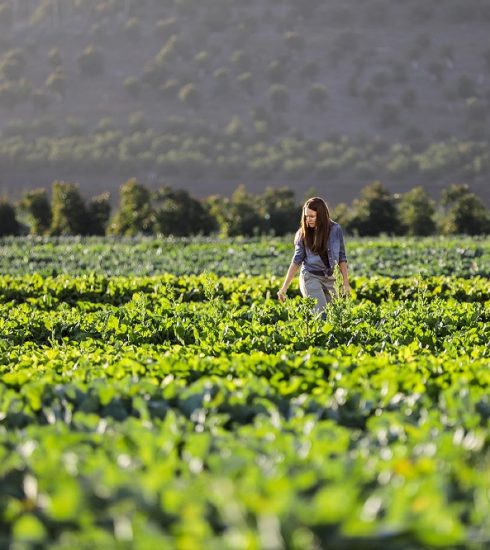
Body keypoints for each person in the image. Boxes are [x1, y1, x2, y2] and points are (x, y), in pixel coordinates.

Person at [277, 196, 350, 318]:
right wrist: (284, 287)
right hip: (311, 277)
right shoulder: (302, 234)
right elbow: (296, 261)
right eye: (306, 216)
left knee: (334, 317)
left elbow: (342, 256)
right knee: (322, 316)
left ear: (321, 215)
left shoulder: (335, 229)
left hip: (331, 279)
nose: (308, 220)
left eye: (312, 216)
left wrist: (345, 282)